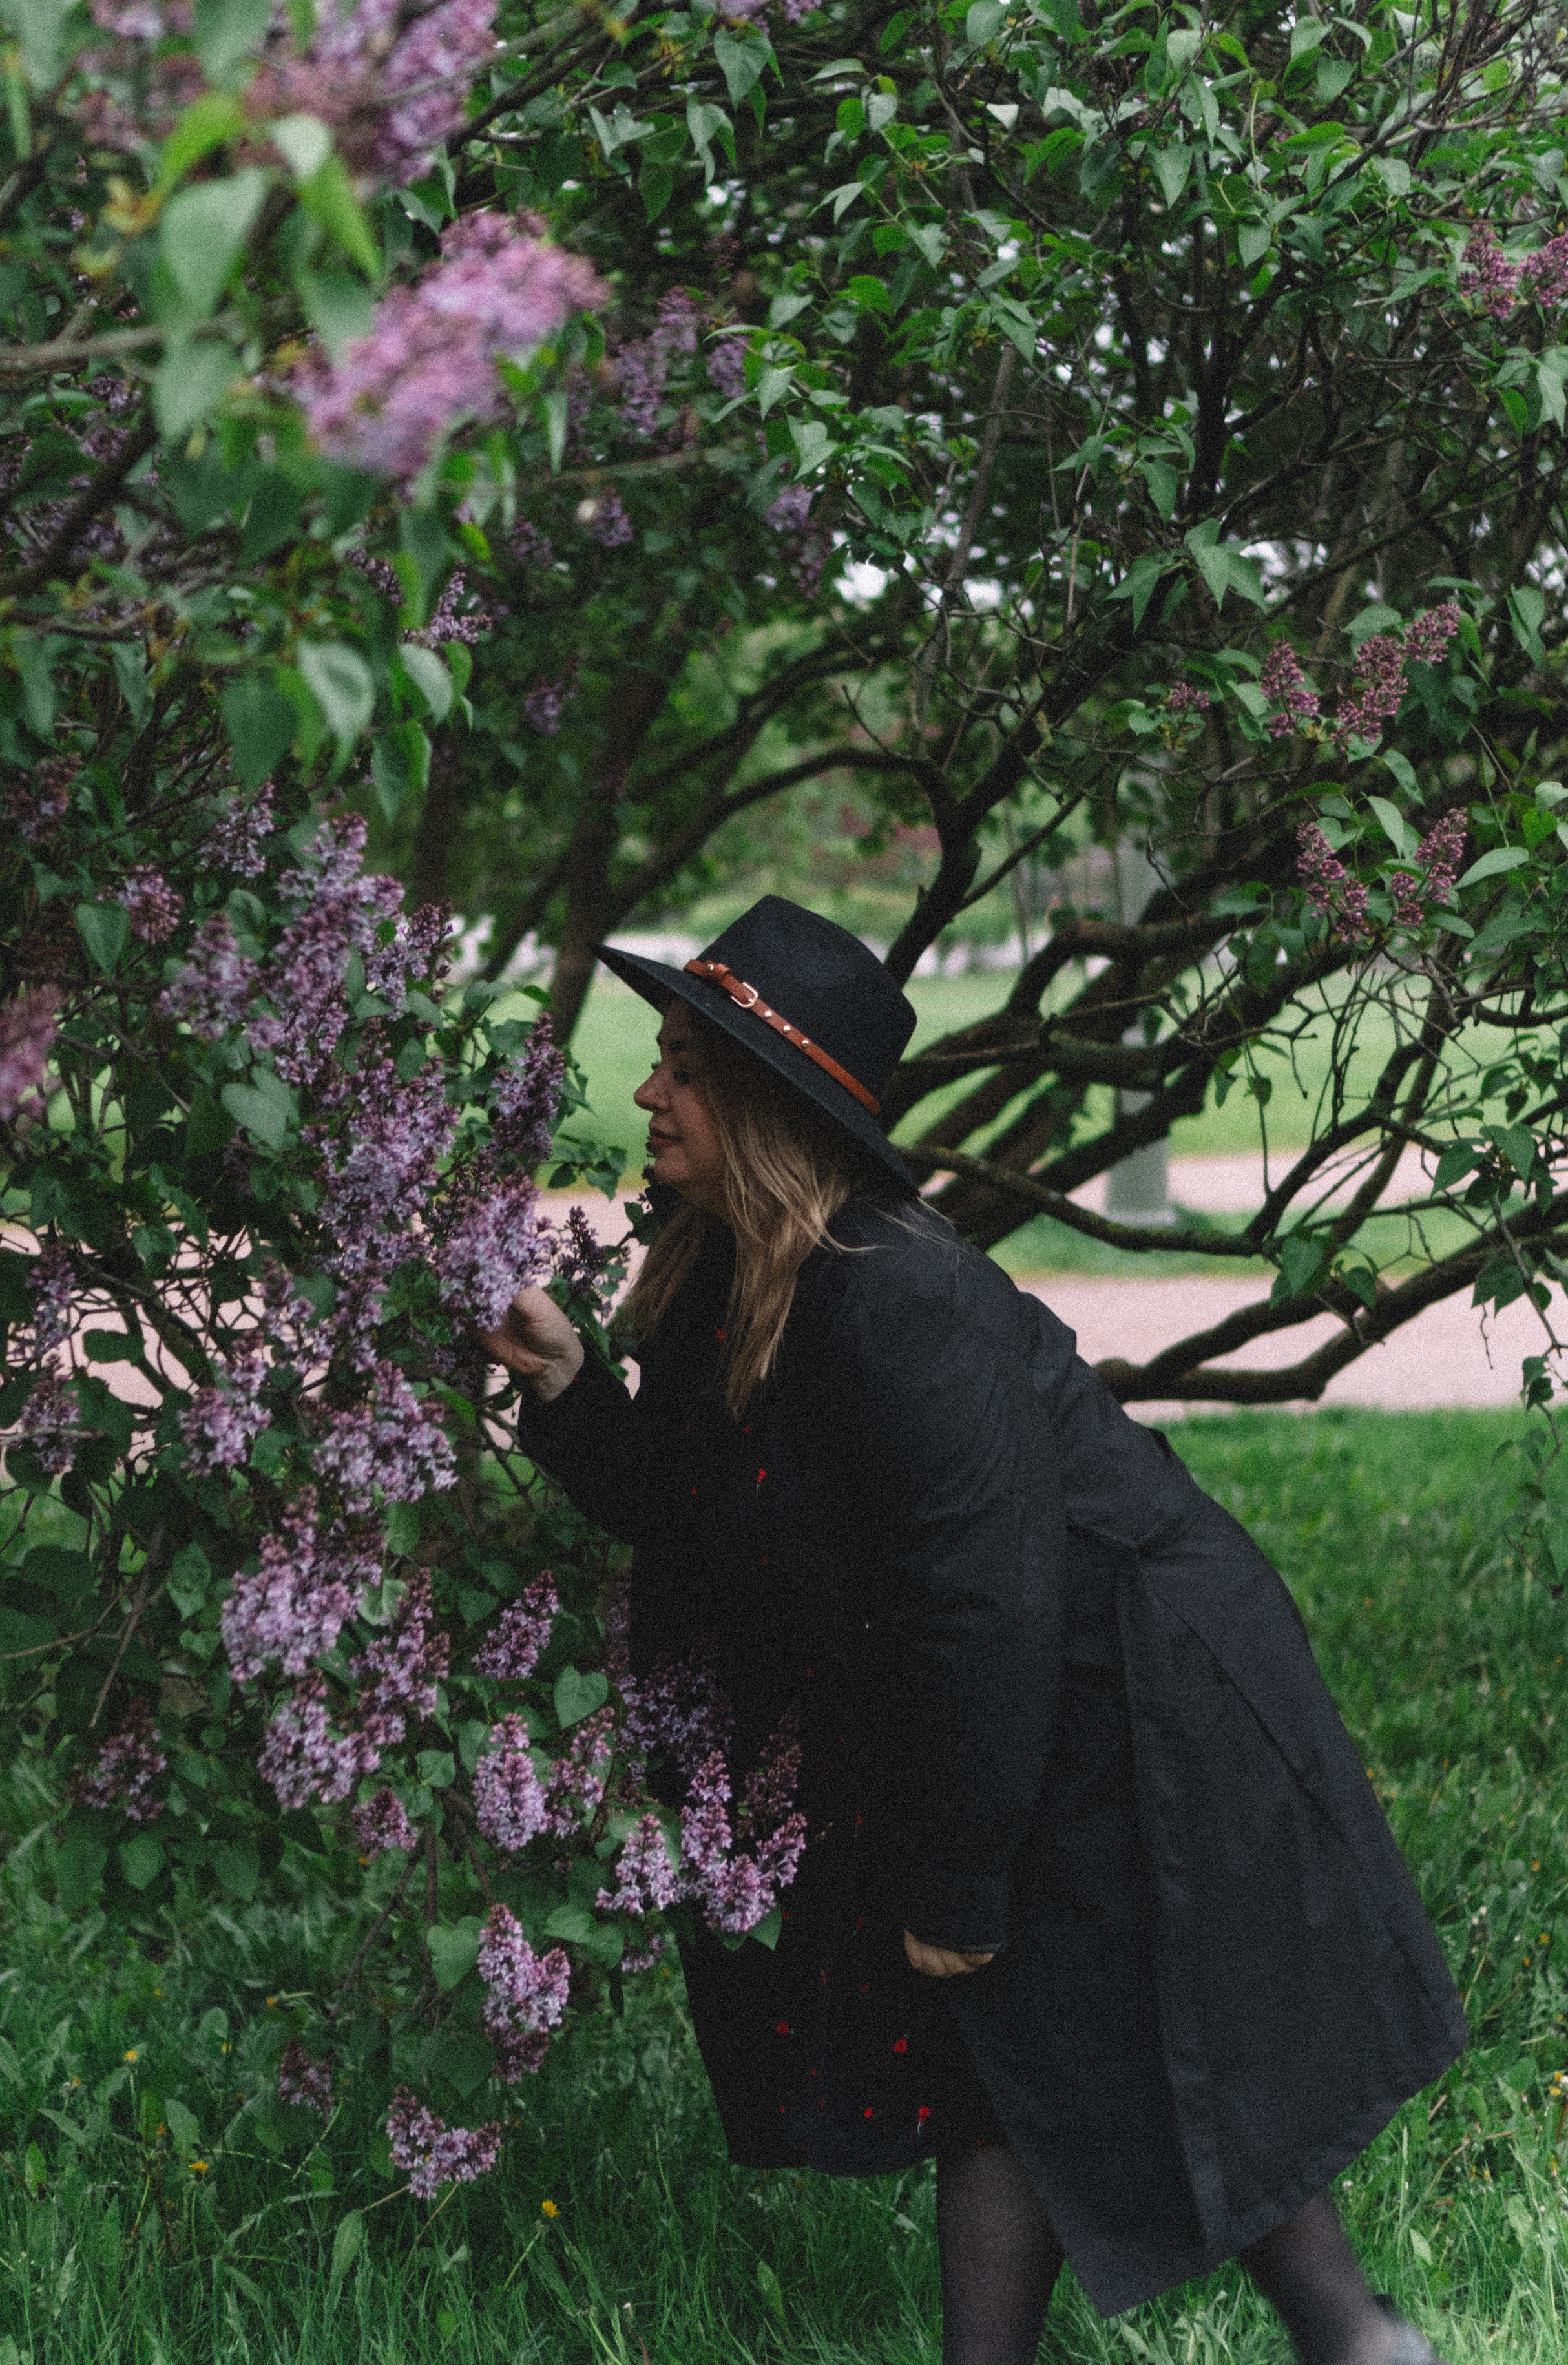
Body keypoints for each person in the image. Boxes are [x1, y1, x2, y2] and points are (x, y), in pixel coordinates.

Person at [483, 897, 1467, 2365]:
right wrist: (569, 1389)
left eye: (684, 1066)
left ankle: (1357, 2343)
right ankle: (1331, 2344)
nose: (647, 1090)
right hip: (1009, 1683)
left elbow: (984, 1605)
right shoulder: (726, 1269)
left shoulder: (897, 1303)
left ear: (759, 1103)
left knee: (1122, 2023)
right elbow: (702, 1517)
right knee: (1014, 2051)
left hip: (1127, 1684)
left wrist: (954, 1882)